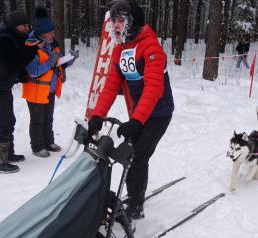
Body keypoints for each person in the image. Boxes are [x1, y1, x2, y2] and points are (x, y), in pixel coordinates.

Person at [87, 0, 174, 221]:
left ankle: (136, 204)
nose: (116, 25)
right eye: (114, 20)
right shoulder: (120, 50)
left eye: (120, 20)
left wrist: (136, 121)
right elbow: (110, 85)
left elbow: (153, 90)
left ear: (132, 22)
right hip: (139, 114)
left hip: (158, 113)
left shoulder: (151, 47)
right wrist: (97, 115)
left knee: (139, 155)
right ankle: (134, 193)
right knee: (128, 154)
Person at [0, 10, 39, 173]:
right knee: (1, 125)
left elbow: (12, 63)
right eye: (24, 26)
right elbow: (12, 62)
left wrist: (21, 76)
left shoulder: (11, 37)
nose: (27, 28)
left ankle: (7, 153)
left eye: (28, 25)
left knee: (9, 121)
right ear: (14, 25)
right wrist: (32, 51)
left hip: (1, 86)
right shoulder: (2, 39)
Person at [22, 7, 78, 157]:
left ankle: (49, 142)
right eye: (50, 32)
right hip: (36, 92)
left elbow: (57, 64)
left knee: (48, 118)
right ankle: (37, 147)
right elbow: (33, 71)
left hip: (49, 90)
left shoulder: (52, 44)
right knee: (37, 120)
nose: (53, 34)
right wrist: (50, 62)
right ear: (41, 33)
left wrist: (70, 60)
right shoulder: (30, 45)